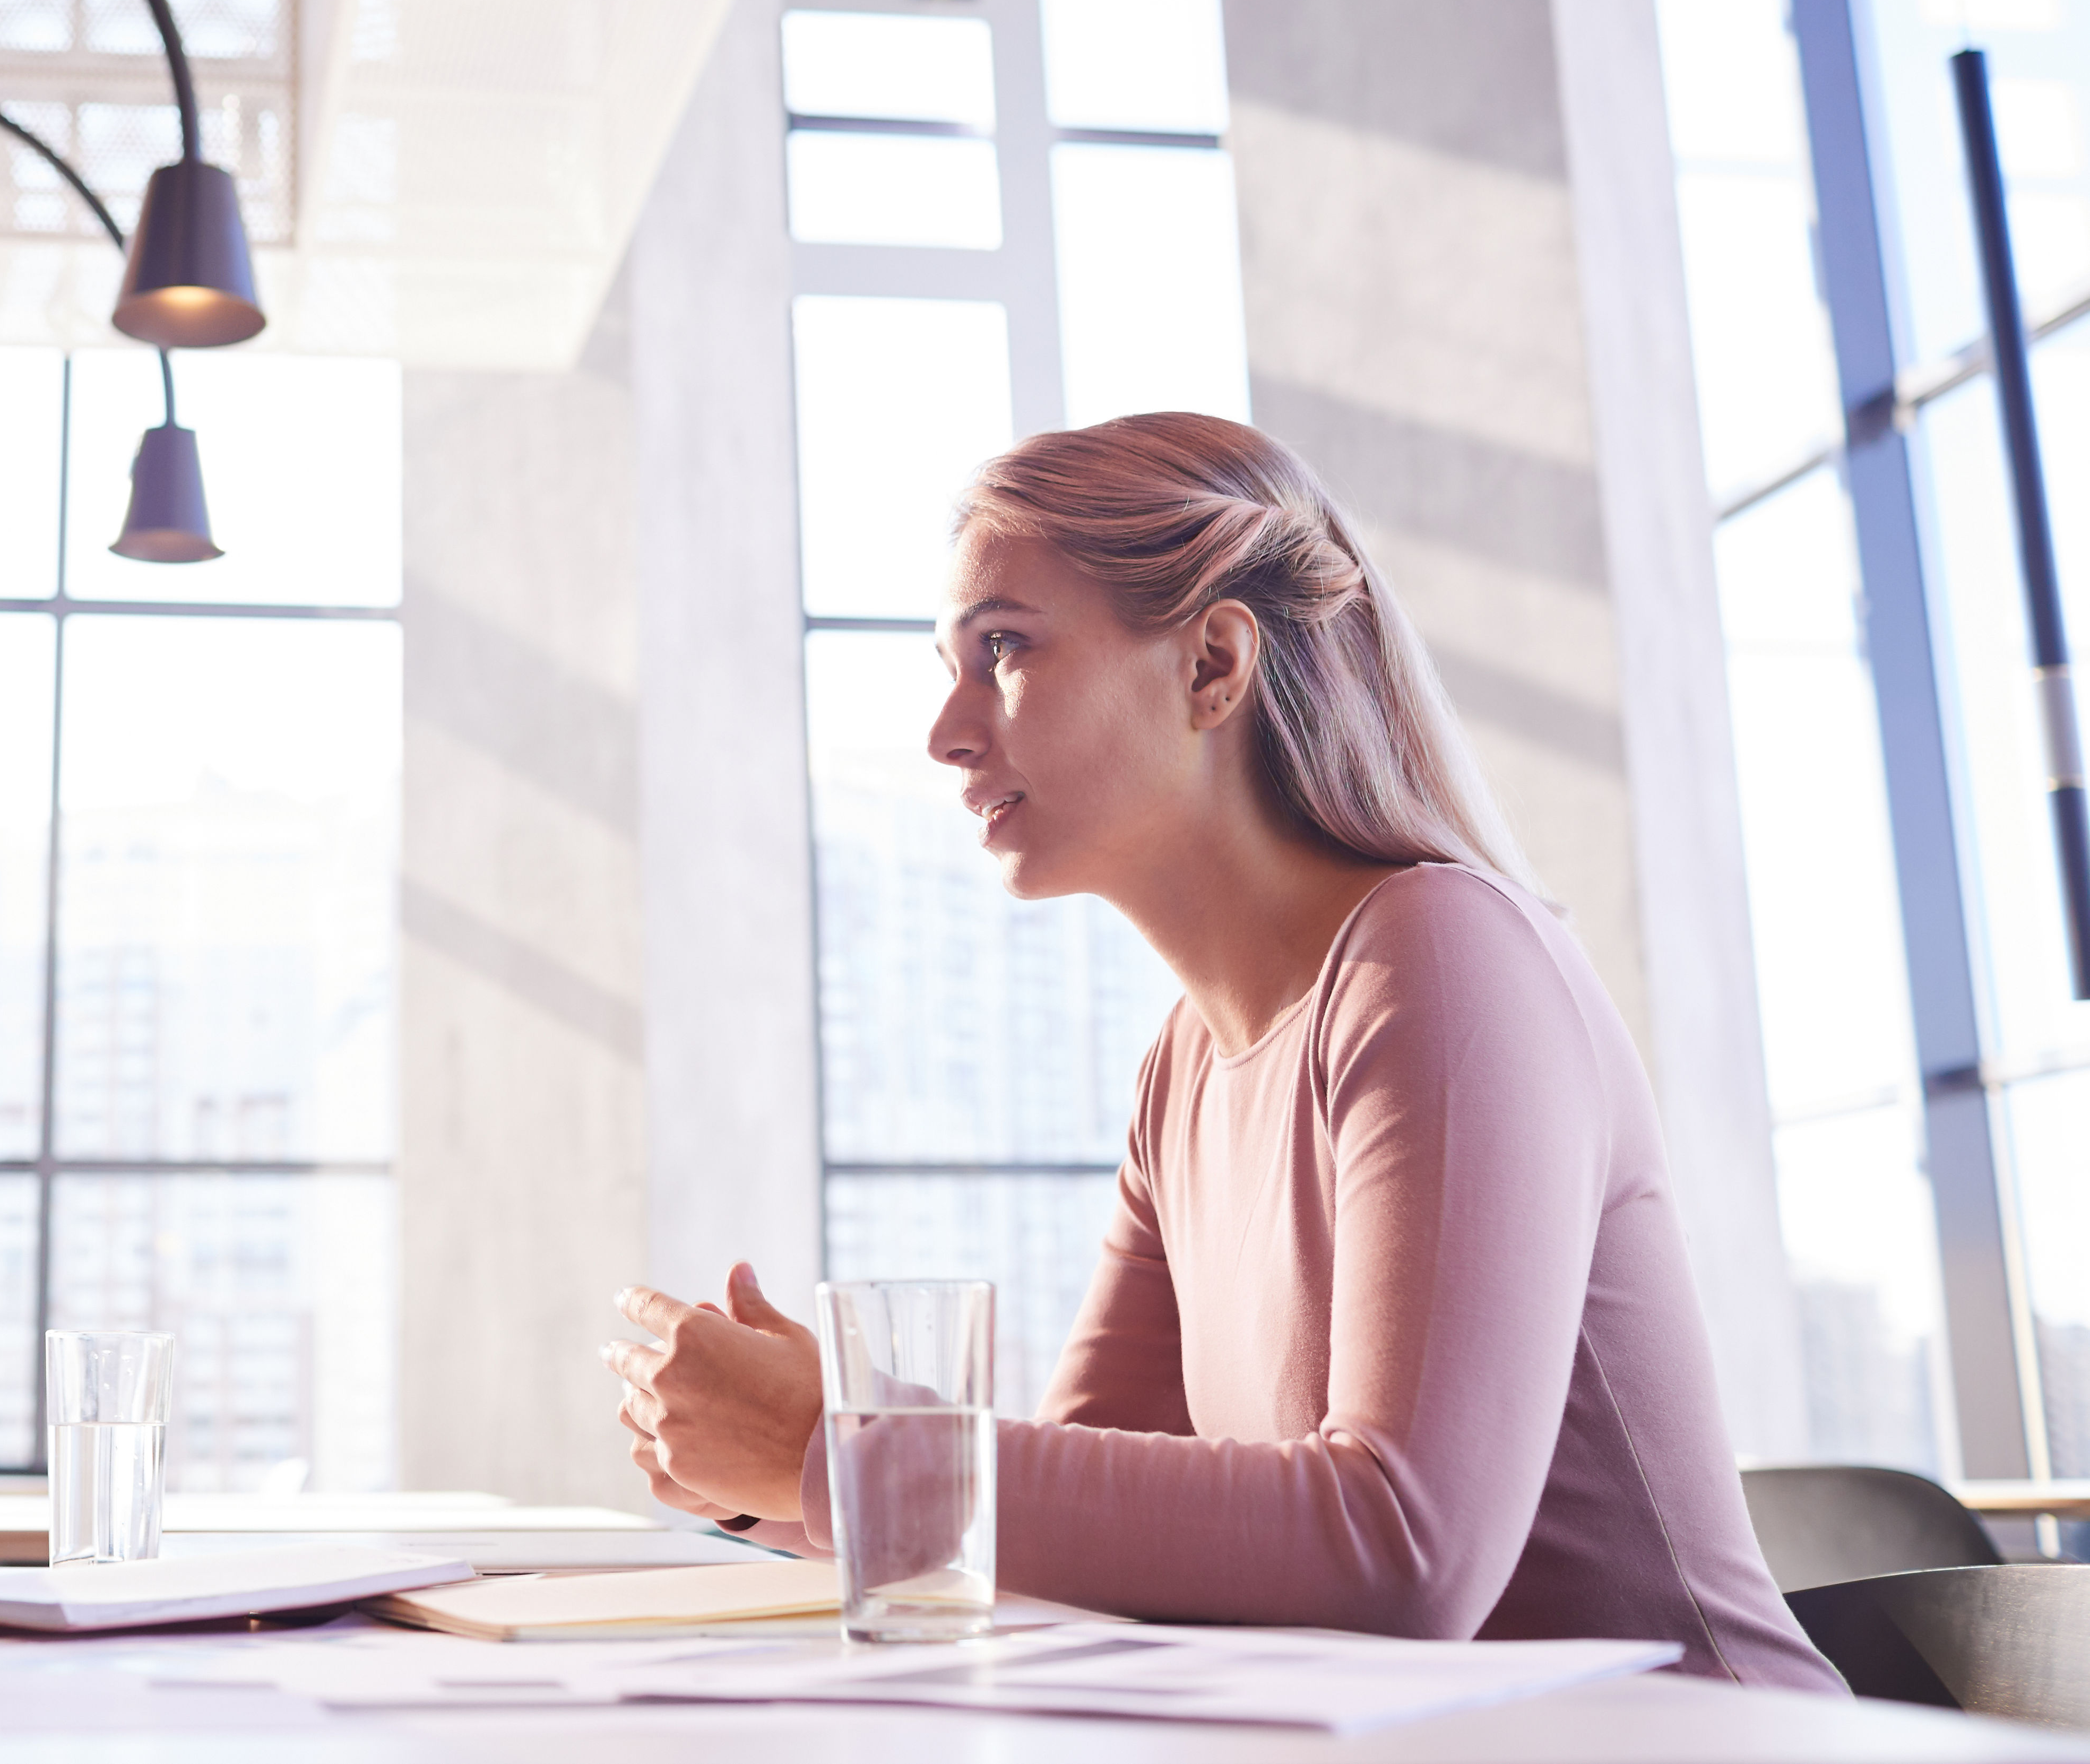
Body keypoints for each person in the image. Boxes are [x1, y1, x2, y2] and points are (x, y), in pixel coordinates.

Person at [606, 412, 1838, 1689]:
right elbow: (1076, 1539)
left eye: (1003, 650)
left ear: (1210, 665)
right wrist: (783, 1471)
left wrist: (847, 1453)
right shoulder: (1184, 1068)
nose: (946, 732)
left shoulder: (1441, 959)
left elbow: (1403, 1552)